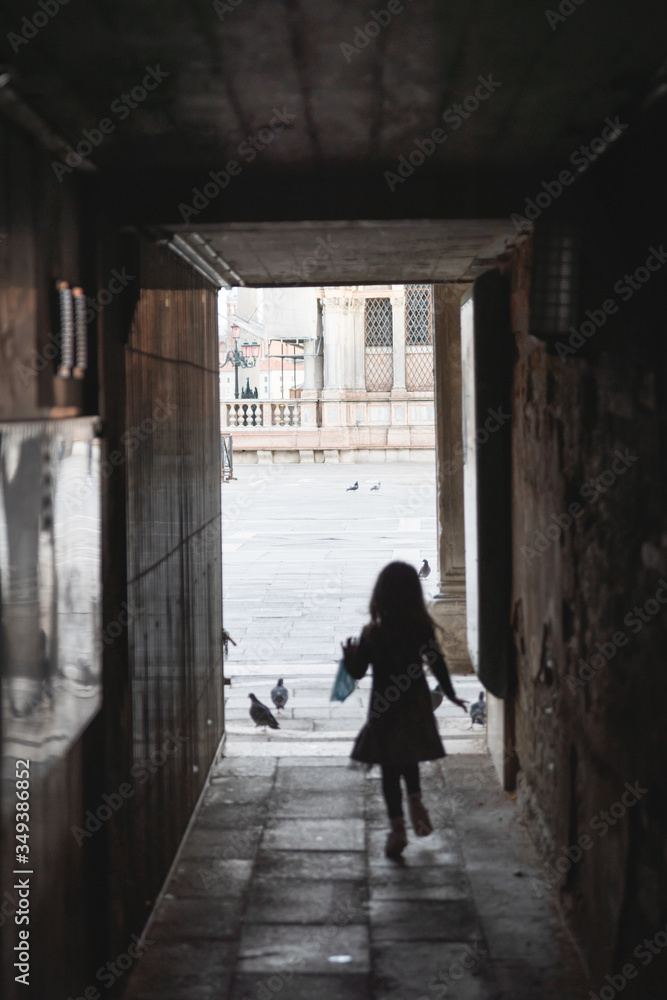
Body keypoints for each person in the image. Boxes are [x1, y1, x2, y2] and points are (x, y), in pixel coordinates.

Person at [342, 561, 468, 861]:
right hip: (414, 705)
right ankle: (416, 801)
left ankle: (397, 828)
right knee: (409, 758)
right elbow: (437, 664)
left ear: (380, 595)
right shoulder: (420, 628)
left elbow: (359, 673)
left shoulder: (374, 632)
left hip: (384, 709)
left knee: (389, 769)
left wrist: (349, 658)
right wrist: (450, 695)